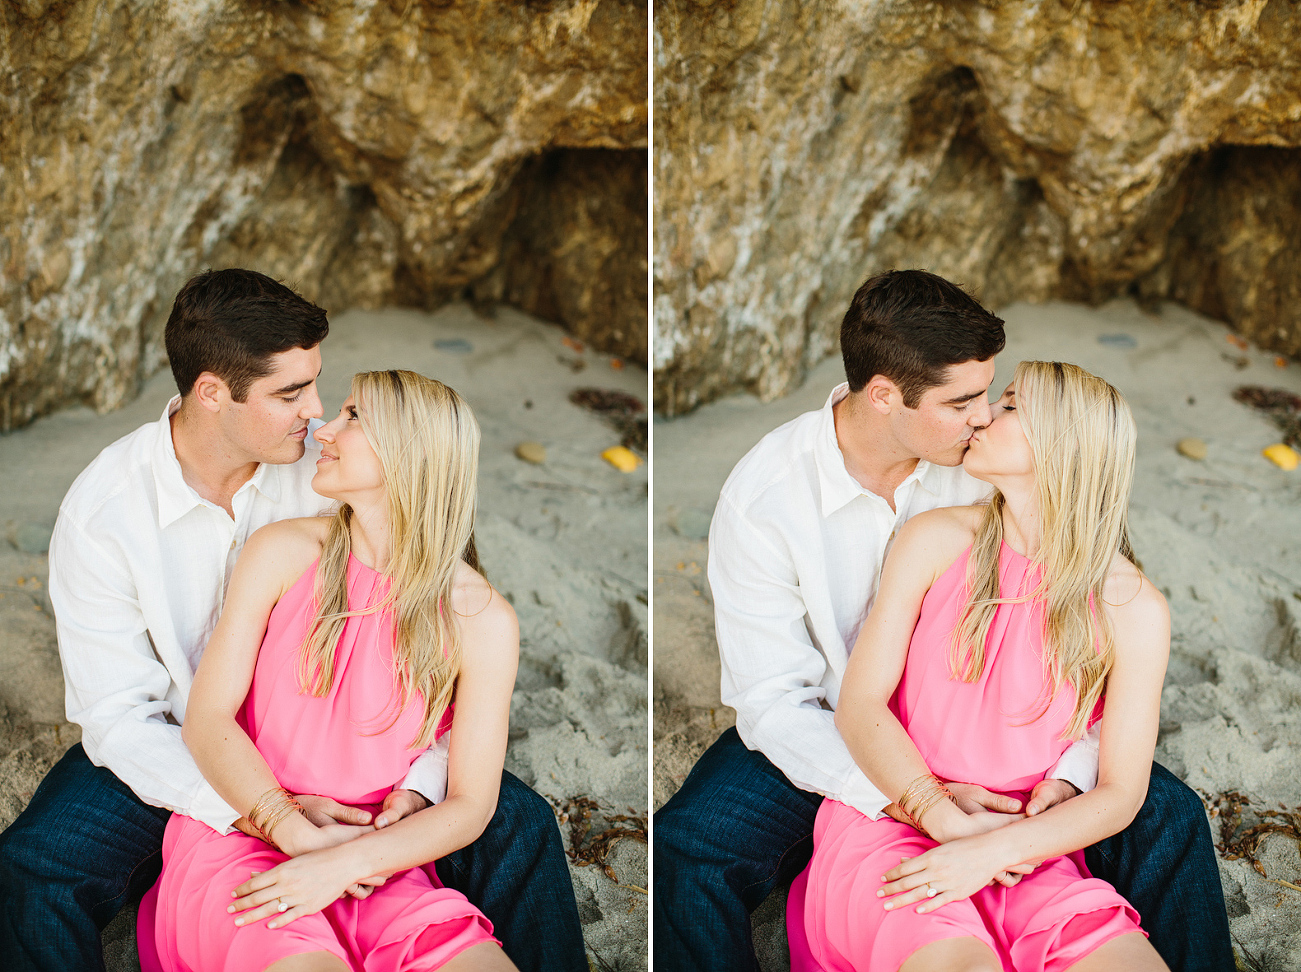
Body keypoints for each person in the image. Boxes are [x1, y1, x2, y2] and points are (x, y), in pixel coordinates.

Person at [0, 269, 586, 972]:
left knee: (520, 823)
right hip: (185, 742)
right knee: (36, 866)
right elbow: (119, 716)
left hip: (358, 746)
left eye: (318, 388)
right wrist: (264, 811)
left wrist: (416, 786)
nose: (314, 413)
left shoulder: (324, 458)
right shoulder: (105, 515)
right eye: (289, 394)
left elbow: (426, 607)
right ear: (213, 392)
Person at [653, 269, 1233, 972]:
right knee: (685, 846)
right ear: (885, 396)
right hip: (833, 722)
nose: (982, 414)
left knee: (1168, 816)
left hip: (1012, 740)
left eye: (993, 395)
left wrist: (1069, 776)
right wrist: (915, 801)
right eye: (963, 400)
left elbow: (1080, 619)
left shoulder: (976, 463)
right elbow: (773, 700)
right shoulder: (767, 498)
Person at [789, 360, 1168, 971]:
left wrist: (994, 850)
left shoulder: (1134, 607)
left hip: (1026, 847)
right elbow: (859, 708)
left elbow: (1123, 791)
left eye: (1012, 405)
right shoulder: (934, 541)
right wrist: (942, 819)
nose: (986, 414)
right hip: (894, 817)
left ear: (1062, 446)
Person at [140, 369, 517, 971]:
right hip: (247, 837)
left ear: (409, 453)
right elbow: (207, 719)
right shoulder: (281, 552)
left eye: (352, 417)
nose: (324, 429)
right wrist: (291, 830)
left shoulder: (482, 617)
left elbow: (471, 803)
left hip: (377, 861)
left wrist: (345, 863)